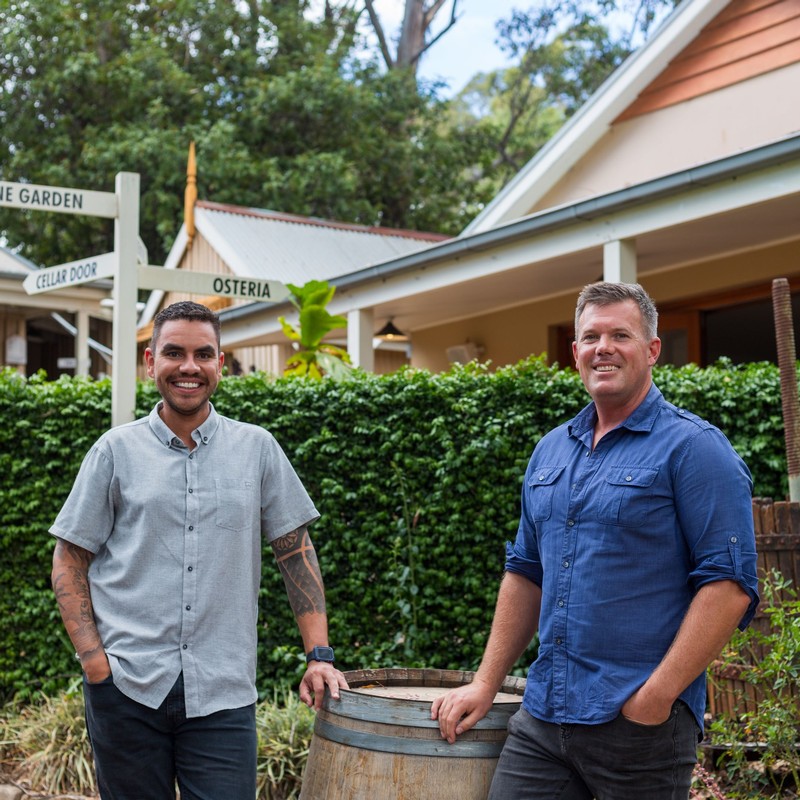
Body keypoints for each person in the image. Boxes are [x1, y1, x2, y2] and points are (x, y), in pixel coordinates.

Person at [432, 282, 759, 799]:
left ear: (652, 349)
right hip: (543, 717)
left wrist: (654, 698)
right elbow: (524, 572)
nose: (603, 347)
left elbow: (729, 585)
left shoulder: (695, 449)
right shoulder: (550, 451)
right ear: (576, 353)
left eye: (620, 335)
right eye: (591, 337)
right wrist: (485, 682)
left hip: (639, 728)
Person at [50, 300, 347, 799]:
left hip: (223, 692)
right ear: (151, 362)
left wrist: (318, 655)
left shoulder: (257, 449)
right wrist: (95, 663)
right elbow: (70, 557)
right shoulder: (113, 451)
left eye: (202, 354)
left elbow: (295, 550)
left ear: (220, 364)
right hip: (126, 687)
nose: (189, 367)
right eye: (174, 353)